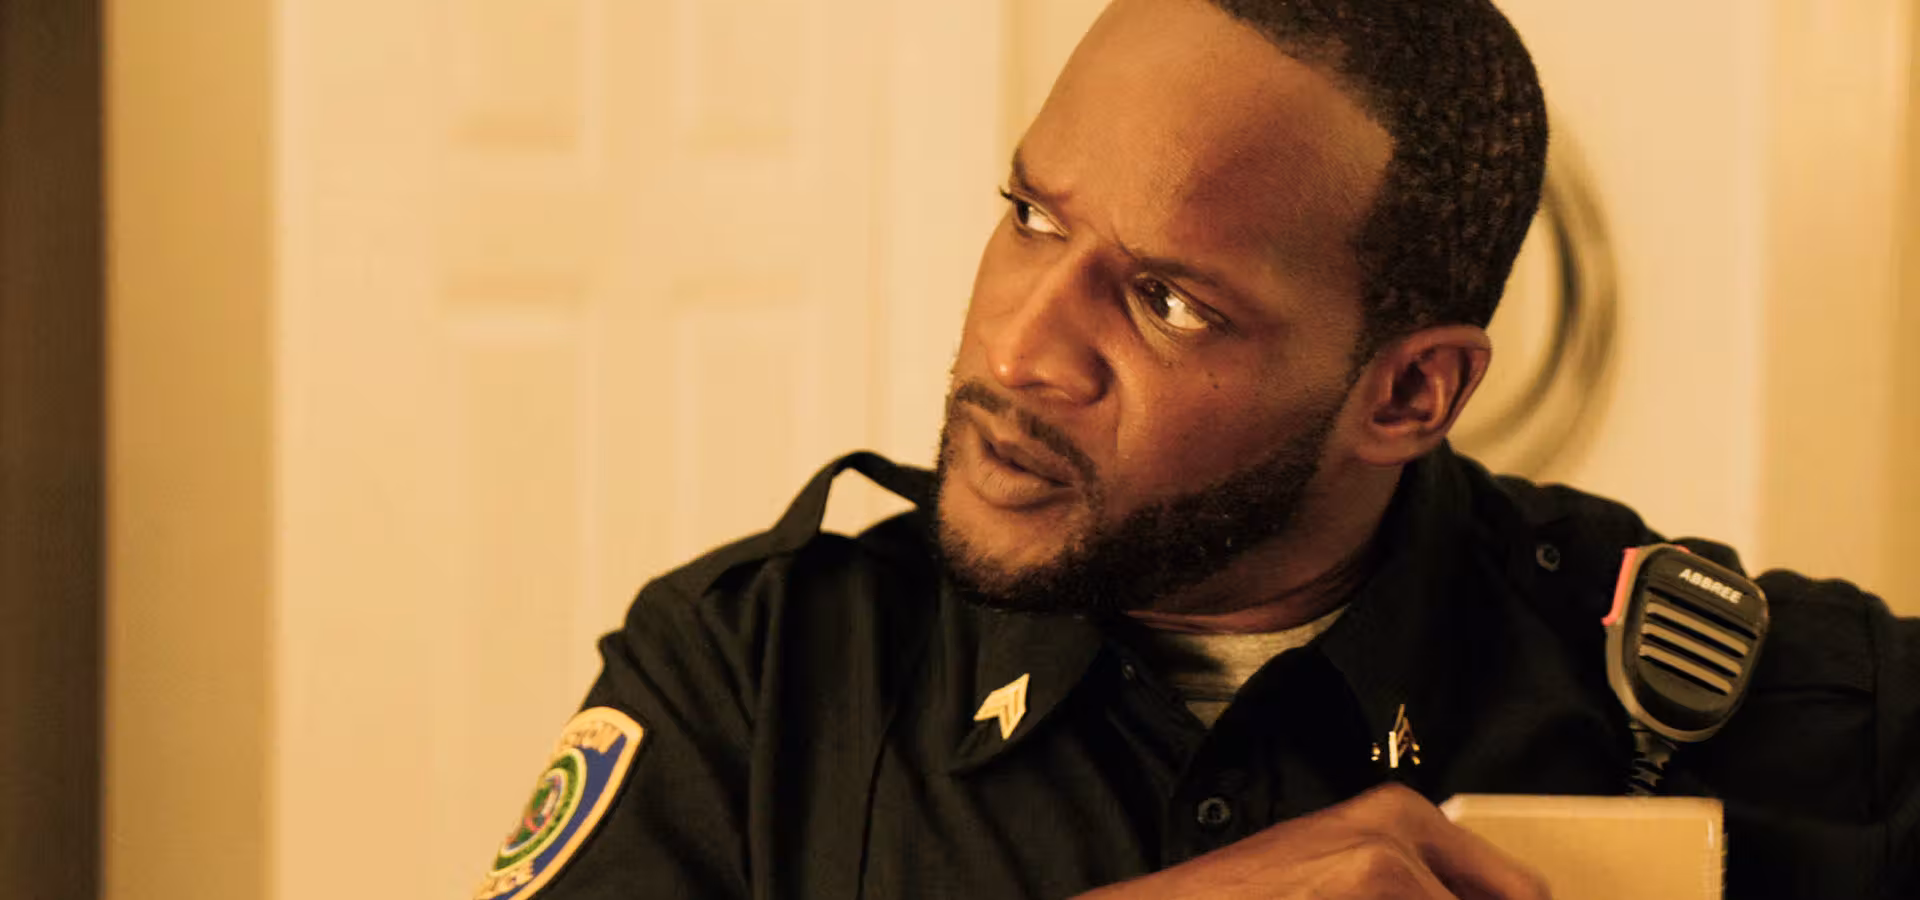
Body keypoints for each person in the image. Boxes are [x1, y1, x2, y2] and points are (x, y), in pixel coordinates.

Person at [472, 0, 1920, 897]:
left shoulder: (1746, 704)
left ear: (1409, 393)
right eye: (1032, 216)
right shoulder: (760, 680)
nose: (1020, 349)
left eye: (1167, 301)